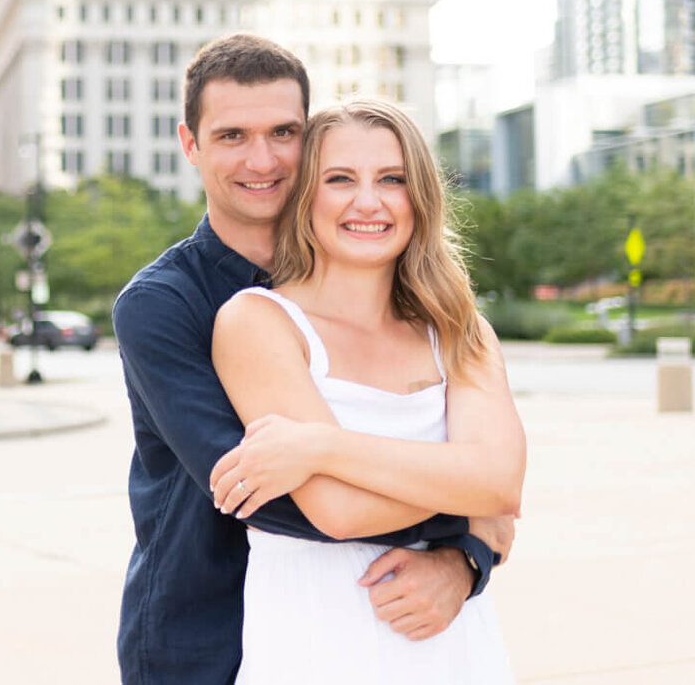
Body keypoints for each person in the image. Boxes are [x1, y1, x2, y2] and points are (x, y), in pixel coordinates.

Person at [112, 34, 508, 685]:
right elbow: (265, 495)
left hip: (364, 630)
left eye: (283, 132)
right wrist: (473, 522)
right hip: (201, 638)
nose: (261, 159)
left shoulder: (377, 289)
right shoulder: (163, 305)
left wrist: (463, 557)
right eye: (232, 135)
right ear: (191, 144)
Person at [209, 98, 523, 682]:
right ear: (307, 197)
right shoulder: (258, 322)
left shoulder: (460, 330)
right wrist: (471, 498)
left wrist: (321, 449)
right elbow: (339, 511)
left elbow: (502, 483)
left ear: (419, 196)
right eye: (340, 180)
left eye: (392, 179)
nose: (368, 201)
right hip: (317, 645)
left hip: (456, 650)